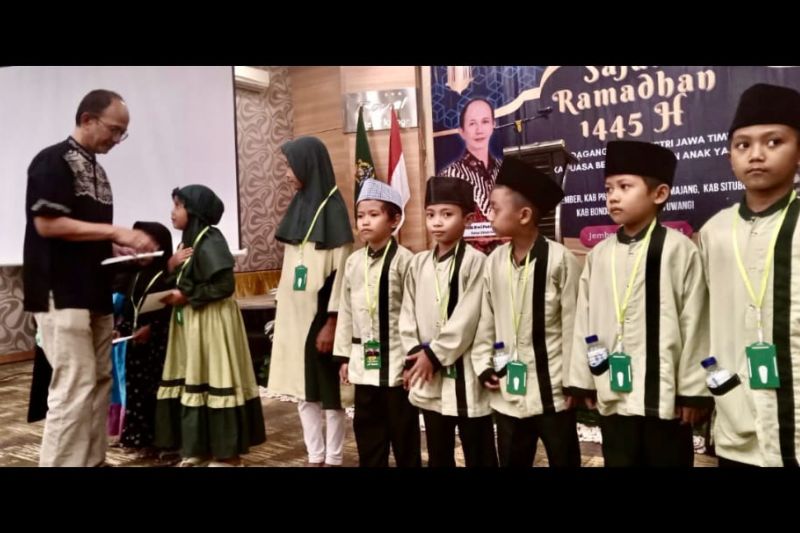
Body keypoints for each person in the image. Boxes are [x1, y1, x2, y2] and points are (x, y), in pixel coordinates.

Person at [23, 89, 156, 467]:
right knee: (74, 386)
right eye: (114, 130)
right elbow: (47, 224)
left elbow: (81, 232)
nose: (117, 139)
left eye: (122, 133)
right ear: (87, 119)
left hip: (94, 292)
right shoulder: (52, 161)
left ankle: (91, 461)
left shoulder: (97, 169)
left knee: (99, 382)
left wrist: (115, 248)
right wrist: (115, 232)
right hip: (60, 291)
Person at [568, 140, 711, 467]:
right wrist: (584, 380)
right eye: (608, 188)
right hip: (613, 394)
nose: (613, 196)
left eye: (624, 187)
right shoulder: (599, 255)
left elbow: (697, 323)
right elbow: (584, 321)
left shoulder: (679, 250)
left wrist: (693, 390)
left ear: (659, 194)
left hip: (666, 400)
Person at [698, 83, 800, 467]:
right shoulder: (714, 232)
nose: (756, 155)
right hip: (736, 414)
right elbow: (702, 319)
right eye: (743, 145)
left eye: (774, 142)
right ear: (730, 158)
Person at [471, 157, 581, 467]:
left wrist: (574, 380)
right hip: (508, 391)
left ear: (524, 215)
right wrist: (484, 365)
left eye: (495, 208)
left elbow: (574, 324)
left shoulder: (560, 260)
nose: (489, 214)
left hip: (554, 393)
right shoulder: (494, 261)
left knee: (564, 459)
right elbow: (486, 320)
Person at [155, 185, 266, 467]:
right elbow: (181, 279)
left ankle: (228, 455)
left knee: (216, 378)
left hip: (213, 322)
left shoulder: (210, 240)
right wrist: (171, 265)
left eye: (178, 206)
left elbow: (224, 285)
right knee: (196, 379)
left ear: (193, 211)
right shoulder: (185, 245)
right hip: (193, 323)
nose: (172, 212)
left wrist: (187, 296)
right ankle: (200, 448)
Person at [399, 176, 498, 467]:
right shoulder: (418, 263)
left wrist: (434, 354)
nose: (437, 222)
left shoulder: (476, 262)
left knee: (479, 450)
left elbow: (468, 316)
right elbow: (406, 313)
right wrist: (415, 354)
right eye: (430, 215)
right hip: (428, 373)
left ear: (468, 219)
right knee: (438, 451)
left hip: (465, 372)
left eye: (447, 214)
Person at [268, 136, 354, 467]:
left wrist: (332, 322)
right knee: (303, 391)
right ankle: (314, 456)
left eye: (289, 166)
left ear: (308, 165)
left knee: (329, 395)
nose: (287, 174)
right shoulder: (299, 206)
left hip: (320, 321)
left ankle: (333, 458)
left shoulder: (334, 211)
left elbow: (341, 278)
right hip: (294, 318)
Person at [332, 179, 420, 467]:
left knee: (404, 435)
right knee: (368, 433)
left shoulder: (405, 261)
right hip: (364, 365)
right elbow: (346, 311)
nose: (365, 222)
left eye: (373, 214)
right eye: (360, 216)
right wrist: (344, 356)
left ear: (394, 220)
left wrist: (412, 360)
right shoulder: (353, 262)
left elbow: (413, 313)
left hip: (397, 365)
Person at [118, 222, 176, 461]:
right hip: (135, 344)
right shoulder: (133, 274)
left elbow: (168, 310)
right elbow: (129, 307)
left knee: (153, 392)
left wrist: (151, 328)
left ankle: (157, 440)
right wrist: (120, 329)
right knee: (135, 391)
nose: (140, 252)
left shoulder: (166, 276)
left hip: (157, 344)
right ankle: (138, 438)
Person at [439, 98, 499, 223]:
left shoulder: (504, 169)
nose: (479, 130)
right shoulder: (449, 176)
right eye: (472, 124)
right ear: (462, 132)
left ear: (493, 125)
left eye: (485, 121)